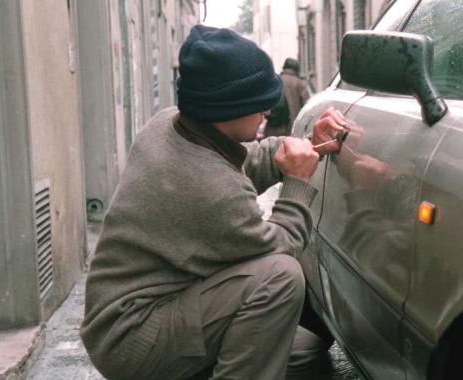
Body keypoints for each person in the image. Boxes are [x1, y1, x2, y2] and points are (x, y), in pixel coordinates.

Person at [80, 25, 346, 380]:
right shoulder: (208, 188)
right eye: (258, 103)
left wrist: (309, 144)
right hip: (133, 339)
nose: (267, 109)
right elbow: (283, 246)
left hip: (128, 319)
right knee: (280, 279)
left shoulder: (168, 126)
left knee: (301, 352)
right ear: (227, 111)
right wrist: (297, 183)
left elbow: (243, 159)